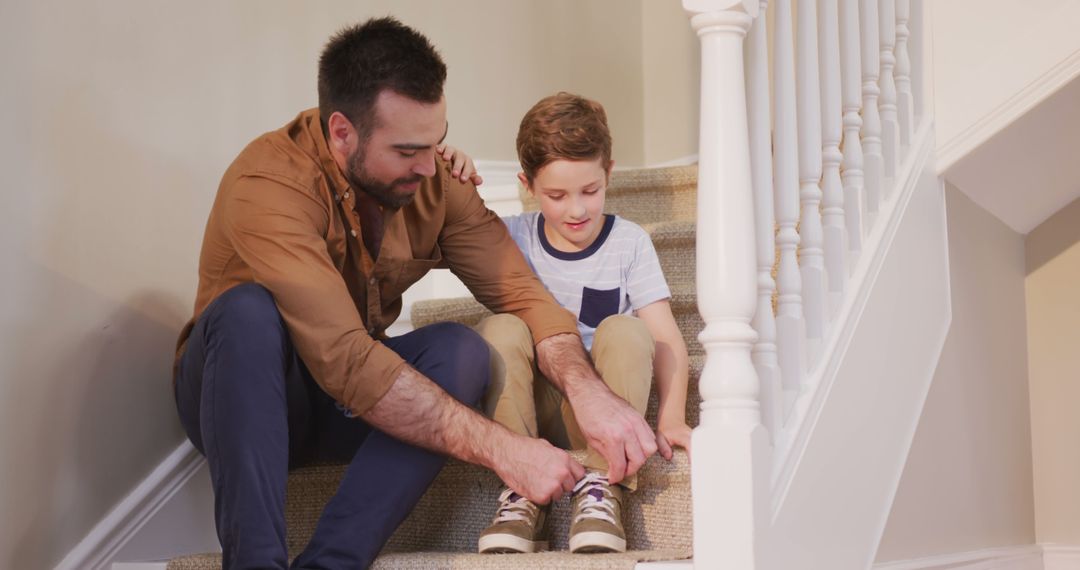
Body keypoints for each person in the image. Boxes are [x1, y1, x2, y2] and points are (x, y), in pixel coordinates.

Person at [172, 19, 656, 570]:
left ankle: (331, 562)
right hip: (247, 394)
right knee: (246, 312)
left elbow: (525, 295)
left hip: (343, 404)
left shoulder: (435, 181)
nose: (429, 167)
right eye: (407, 151)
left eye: (436, 141)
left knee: (461, 350)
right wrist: (504, 448)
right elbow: (347, 360)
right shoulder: (267, 184)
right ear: (341, 133)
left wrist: (587, 391)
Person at [475, 93, 692, 555]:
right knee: (500, 329)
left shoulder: (629, 243)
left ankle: (602, 489)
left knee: (627, 328)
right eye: (557, 195)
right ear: (527, 185)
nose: (577, 210)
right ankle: (523, 493)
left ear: (609, 173)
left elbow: (666, 338)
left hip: (603, 412)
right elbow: (435, 225)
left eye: (590, 191)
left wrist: (672, 415)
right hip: (531, 408)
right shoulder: (511, 237)